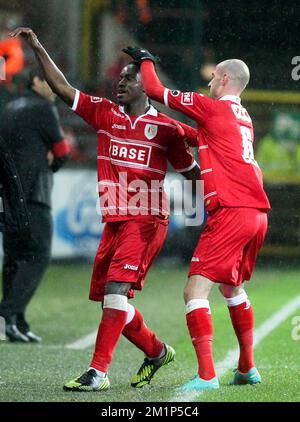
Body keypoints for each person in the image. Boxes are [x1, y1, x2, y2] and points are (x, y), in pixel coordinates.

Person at [11, 27, 200, 391]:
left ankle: (98, 372)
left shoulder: (166, 129)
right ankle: (157, 351)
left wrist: (216, 193)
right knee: (112, 302)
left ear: (146, 85)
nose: (121, 83)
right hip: (114, 220)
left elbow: (193, 168)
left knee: (115, 293)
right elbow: (64, 88)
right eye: (120, 78)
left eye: (130, 79)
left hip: (146, 220)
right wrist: (37, 46)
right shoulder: (104, 113)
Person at [123, 46, 271, 390]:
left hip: (231, 212)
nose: (208, 85)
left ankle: (206, 376)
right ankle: (247, 368)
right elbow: (204, 136)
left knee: (194, 292)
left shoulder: (212, 108)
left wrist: (146, 59)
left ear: (224, 78)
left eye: (212, 78)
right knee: (232, 287)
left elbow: (156, 91)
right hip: (256, 213)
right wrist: (171, 127)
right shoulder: (242, 118)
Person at [0, 67, 70, 343]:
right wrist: (50, 163)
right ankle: (7, 313)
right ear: (36, 81)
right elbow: (62, 152)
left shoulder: (8, 107)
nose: (54, 88)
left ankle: (16, 322)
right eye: (50, 82)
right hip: (32, 195)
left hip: (5, 194)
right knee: (38, 255)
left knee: (14, 256)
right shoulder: (43, 108)